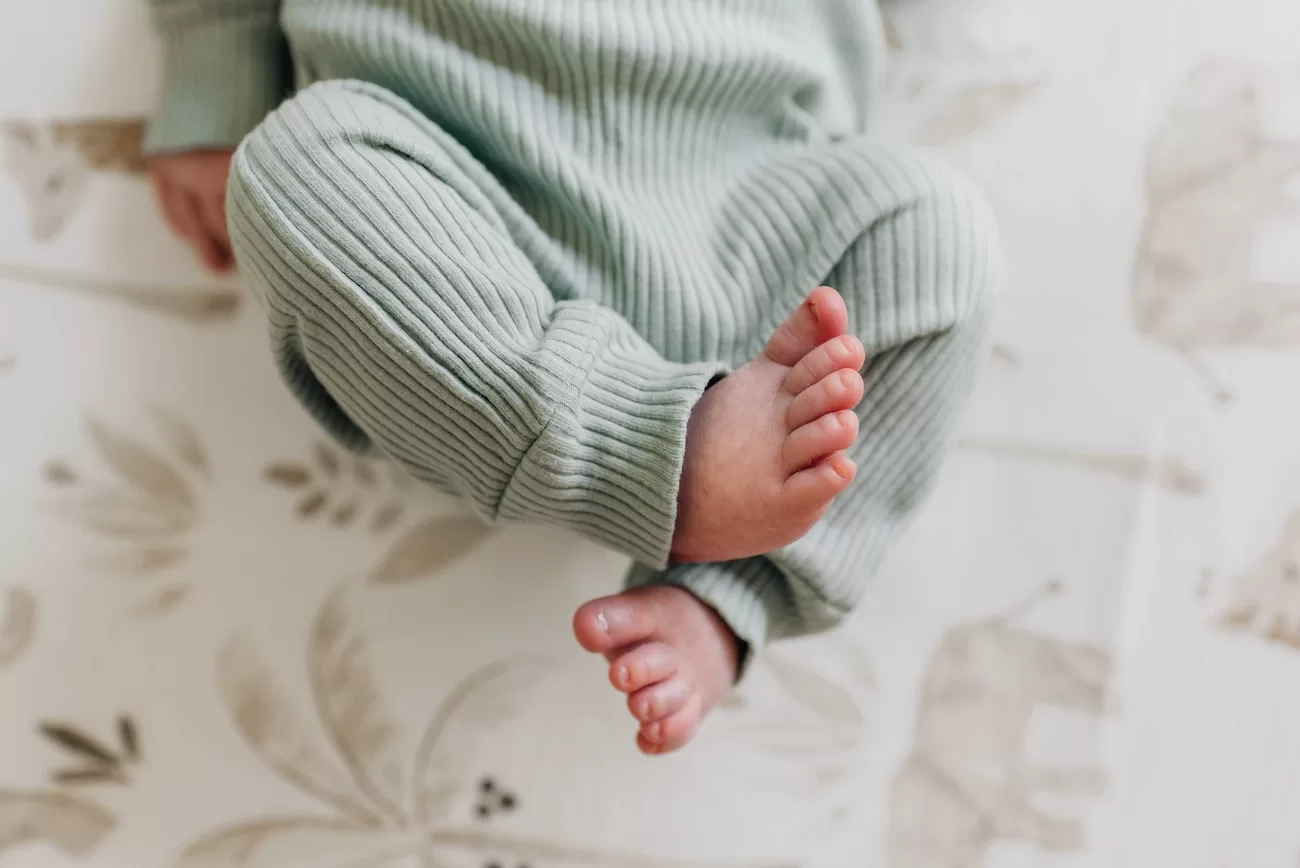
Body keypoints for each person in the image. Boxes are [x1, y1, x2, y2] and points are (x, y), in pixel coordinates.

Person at [146, 0, 998, 756]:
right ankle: (655, 455)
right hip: (451, 174)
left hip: (754, 200)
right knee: (294, 164)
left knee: (931, 225)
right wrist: (218, 60)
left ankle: (731, 585)